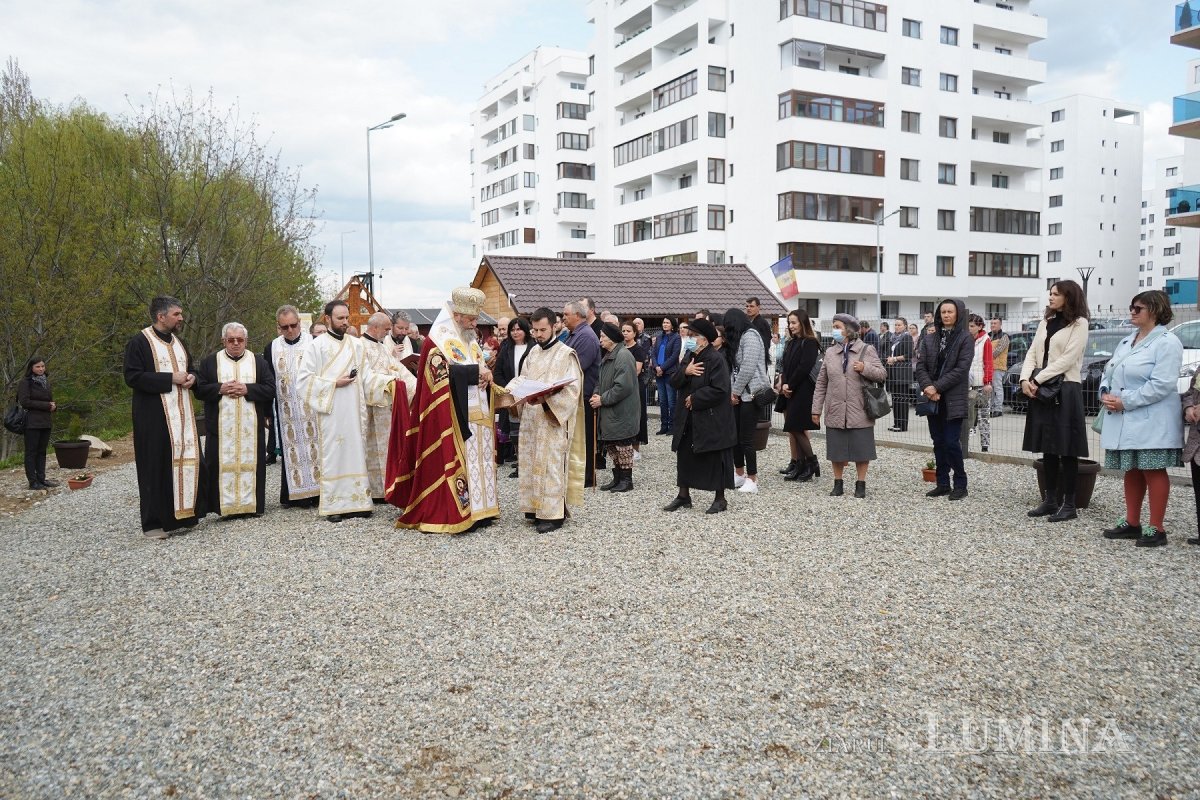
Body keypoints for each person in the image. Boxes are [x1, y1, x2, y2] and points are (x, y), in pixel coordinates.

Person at [387, 288, 501, 534]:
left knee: (478, 461)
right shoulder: (436, 339)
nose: (474, 324)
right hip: (452, 414)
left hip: (477, 413)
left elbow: (479, 364)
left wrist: (488, 374)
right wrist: (474, 374)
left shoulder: (469, 337)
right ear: (457, 315)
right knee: (459, 461)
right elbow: (438, 378)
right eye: (471, 319)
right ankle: (460, 511)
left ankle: (481, 510)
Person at [1097, 291, 1184, 547]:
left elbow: (1163, 384)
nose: (1132, 312)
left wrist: (1126, 401)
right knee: (1132, 469)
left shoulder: (1167, 342)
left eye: (1138, 308)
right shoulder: (1127, 341)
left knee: (1153, 469)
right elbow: (1109, 370)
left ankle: (1157, 528)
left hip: (1151, 419)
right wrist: (1105, 393)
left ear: (1155, 310)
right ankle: (1132, 522)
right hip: (1124, 416)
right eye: (1131, 307)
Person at [298, 300, 394, 523]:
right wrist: (333, 383)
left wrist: (389, 384)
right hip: (331, 411)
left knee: (355, 452)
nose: (344, 322)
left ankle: (359, 502)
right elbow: (303, 381)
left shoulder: (356, 345)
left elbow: (367, 377)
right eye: (340, 318)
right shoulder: (316, 345)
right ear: (327, 318)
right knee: (334, 455)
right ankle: (334, 505)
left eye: (346, 318)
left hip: (354, 410)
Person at [123, 296, 208, 539]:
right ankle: (153, 524)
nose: (181, 318)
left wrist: (193, 378)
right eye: (176, 314)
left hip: (182, 416)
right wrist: (170, 378)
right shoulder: (140, 342)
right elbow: (132, 377)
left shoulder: (178, 342)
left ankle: (185, 516)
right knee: (155, 466)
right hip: (154, 418)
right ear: (161, 317)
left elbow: (191, 369)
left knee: (186, 461)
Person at [1020, 282, 1090, 523]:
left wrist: (1037, 379)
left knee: (1067, 447)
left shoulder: (1079, 324)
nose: (1050, 298)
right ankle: (1050, 500)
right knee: (1048, 445)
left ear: (1069, 297)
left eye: (1056, 294)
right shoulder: (1045, 322)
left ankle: (1069, 503)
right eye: (1050, 294)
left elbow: (1069, 359)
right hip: (1041, 387)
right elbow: (1032, 353)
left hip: (1066, 388)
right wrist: (1024, 379)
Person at [195, 322, 276, 518]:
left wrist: (248, 389)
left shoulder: (259, 362)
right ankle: (223, 507)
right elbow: (199, 390)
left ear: (246, 341)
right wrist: (219, 389)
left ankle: (251, 506)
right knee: (218, 466)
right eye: (231, 340)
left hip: (250, 428)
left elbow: (271, 388)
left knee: (252, 466)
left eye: (240, 340)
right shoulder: (210, 362)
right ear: (223, 341)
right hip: (221, 429)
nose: (235, 344)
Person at [515, 307, 585, 533]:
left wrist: (546, 400)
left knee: (551, 466)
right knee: (531, 462)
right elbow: (523, 378)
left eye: (542, 329)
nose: (537, 334)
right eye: (534, 330)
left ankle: (554, 515)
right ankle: (535, 508)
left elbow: (573, 390)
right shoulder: (533, 352)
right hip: (531, 419)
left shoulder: (566, 354)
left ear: (555, 325)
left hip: (552, 420)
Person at [663, 317, 736, 514]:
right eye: (690, 335)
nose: (689, 338)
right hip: (687, 417)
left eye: (694, 336)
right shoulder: (690, 355)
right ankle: (683, 495)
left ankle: (720, 499)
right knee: (684, 454)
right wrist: (685, 372)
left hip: (711, 418)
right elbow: (674, 381)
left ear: (704, 339)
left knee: (714, 457)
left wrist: (696, 398)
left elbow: (720, 389)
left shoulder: (716, 359)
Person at [811, 314, 887, 498]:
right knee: (836, 449)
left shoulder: (867, 350)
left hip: (859, 409)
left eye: (837, 326)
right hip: (835, 408)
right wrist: (816, 409)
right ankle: (838, 483)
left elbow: (882, 374)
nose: (834, 330)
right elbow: (821, 383)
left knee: (862, 449)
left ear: (849, 330)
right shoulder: (830, 352)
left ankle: (860, 484)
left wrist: (865, 368)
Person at [914, 299, 974, 500]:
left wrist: (936, 387)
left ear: (958, 314)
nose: (946, 315)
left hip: (952, 397)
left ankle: (960, 483)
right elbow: (921, 365)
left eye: (950, 311)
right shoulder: (930, 338)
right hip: (933, 398)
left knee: (951, 442)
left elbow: (961, 369)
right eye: (943, 312)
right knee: (938, 441)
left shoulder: (965, 338)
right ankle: (942, 482)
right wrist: (928, 388)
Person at [264, 305, 321, 508]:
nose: (290, 330)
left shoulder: (313, 342)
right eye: (284, 327)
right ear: (278, 327)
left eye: (293, 325)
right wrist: (266, 412)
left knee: (315, 449)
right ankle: (295, 495)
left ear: (300, 323)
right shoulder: (271, 347)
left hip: (312, 409)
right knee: (292, 452)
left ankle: (319, 493)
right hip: (286, 409)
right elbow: (268, 382)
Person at [362, 311, 416, 502]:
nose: (387, 333)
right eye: (385, 330)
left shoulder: (381, 347)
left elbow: (397, 368)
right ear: (375, 327)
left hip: (388, 405)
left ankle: (387, 487)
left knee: (386, 448)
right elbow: (364, 376)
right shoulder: (361, 347)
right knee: (372, 448)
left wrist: (415, 386)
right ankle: (375, 490)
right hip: (372, 407)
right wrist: (390, 382)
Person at [723, 307, 770, 495]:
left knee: (747, 439)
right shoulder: (739, 338)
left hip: (750, 395)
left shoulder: (750, 336)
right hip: (740, 395)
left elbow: (748, 368)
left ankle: (752, 478)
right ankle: (739, 472)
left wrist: (734, 392)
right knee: (735, 437)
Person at [590, 322, 640, 493]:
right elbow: (601, 380)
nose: (600, 339)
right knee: (613, 446)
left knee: (623, 446)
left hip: (621, 411)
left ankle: (626, 480)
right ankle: (618, 478)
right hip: (611, 410)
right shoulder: (610, 355)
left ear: (611, 338)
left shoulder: (623, 356)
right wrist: (597, 394)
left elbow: (623, 387)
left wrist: (602, 399)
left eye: (603, 336)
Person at [775, 310, 821, 481]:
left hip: (803, 390)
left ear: (803, 323)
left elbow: (804, 367)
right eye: (789, 323)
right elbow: (786, 365)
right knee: (794, 427)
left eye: (794, 322)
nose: (791, 326)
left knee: (796, 426)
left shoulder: (810, 342)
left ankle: (811, 463)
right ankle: (802, 464)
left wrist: (790, 384)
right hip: (790, 389)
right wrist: (784, 383)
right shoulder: (792, 342)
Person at [563, 300, 603, 487]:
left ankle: (586, 477)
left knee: (585, 439)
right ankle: (578, 474)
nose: (563, 318)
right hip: (577, 394)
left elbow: (577, 366)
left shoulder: (585, 336)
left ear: (577, 316)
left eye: (565, 314)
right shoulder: (575, 334)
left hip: (584, 395)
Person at [494, 316, 532, 476]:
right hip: (511, 395)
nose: (515, 332)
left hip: (528, 394)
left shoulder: (534, 348)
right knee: (515, 431)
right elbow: (498, 372)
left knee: (529, 430)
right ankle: (520, 462)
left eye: (519, 329)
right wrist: (507, 389)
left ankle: (530, 463)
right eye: (513, 330)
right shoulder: (506, 348)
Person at [17, 356, 57, 490]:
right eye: (37, 367)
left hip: (45, 422)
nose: (41, 369)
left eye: (42, 366)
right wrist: (46, 405)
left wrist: (53, 406)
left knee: (42, 451)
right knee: (31, 452)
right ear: (31, 368)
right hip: (32, 422)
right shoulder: (26, 382)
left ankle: (41, 478)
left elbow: (50, 400)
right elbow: (25, 402)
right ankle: (33, 481)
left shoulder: (46, 382)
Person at [961, 314, 994, 456]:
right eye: (968, 325)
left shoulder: (985, 340)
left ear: (980, 326)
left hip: (981, 384)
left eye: (972, 326)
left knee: (983, 416)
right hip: (967, 384)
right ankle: (964, 446)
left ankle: (985, 445)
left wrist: (987, 381)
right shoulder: (966, 340)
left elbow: (988, 362)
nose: (969, 328)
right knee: (967, 416)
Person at [622, 322, 650, 459]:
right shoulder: (621, 348)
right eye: (623, 330)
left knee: (637, 415)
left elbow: (637, 370)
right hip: (622, 385)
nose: (625, 333)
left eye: (628, 330)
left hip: (635, 385)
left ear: (634, 333)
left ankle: (636, 448)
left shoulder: (638, 349)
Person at [885, 317, 914, 433]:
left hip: (902, 372)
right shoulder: (892, 338)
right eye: (895, 325)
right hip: (893, 372)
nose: (897, 327)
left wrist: (895, 359)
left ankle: (903, 425)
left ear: (905, 326)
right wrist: (889, 359)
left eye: (899, 325)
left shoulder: (907, 337)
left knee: (902, 399)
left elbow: (909, 355)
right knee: (895, 399)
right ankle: (896, 423)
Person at [989, 319, 1010, 417]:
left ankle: (998, 409)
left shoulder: (1004, 337)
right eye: (991, 323)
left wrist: (985, 356)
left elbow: (997, 351)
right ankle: (991, 408)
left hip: (998, 367)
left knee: (997, 388)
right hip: (989, 367)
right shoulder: (988, 335)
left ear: (1000, 324)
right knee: (990, 389)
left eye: (995, 323)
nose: (993, 325)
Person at [745, 297, 772, 369]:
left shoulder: (762, 323)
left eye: (751, 306)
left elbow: (766, 344)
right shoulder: (748, 322)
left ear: (758, 307)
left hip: (759, 362)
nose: (748, 308)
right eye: (747, 306)